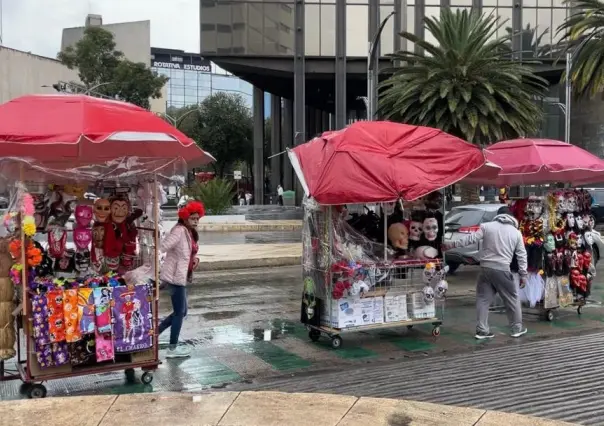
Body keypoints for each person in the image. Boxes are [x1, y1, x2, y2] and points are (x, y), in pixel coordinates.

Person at [442, 206, 528, 340]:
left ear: (498, 216)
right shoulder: (516, 233)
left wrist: (451, 245)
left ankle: (482, 330)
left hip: (485, 268)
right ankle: (517, 328)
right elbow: (522, 255)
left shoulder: (486, 227)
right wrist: (523, 274)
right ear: (511, 218)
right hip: (503, 269)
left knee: (483, 299)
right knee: (512, 299)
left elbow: (470, 239)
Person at [158, 200, 204, 358]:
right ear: (185, 217)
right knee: (180, 312)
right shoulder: (179, 230)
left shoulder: (189, 231)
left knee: (182, 311)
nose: (196, 220)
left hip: (180, 276)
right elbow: (162, 247)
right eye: (193, 218)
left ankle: (155, 334)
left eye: (198, 218)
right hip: (174, 277)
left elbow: (187, 252)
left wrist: (194, 260)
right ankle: (172, 348)